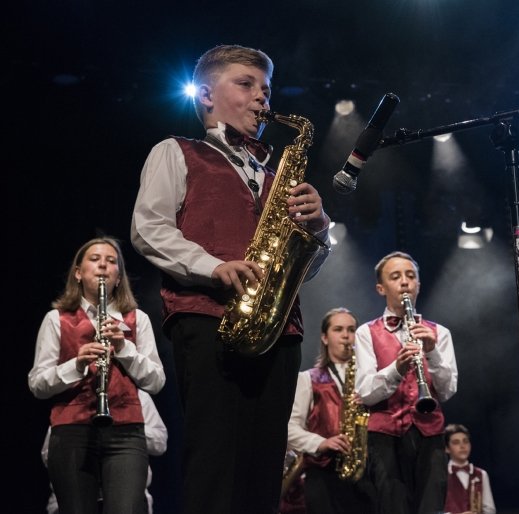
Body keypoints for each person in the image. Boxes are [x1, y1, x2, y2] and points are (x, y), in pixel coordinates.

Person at [130, 43, 330, 514]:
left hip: (279, 329)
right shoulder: (176, 152)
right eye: (246, 84)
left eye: (266, 89)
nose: (262, 97)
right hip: (208, 319)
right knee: (215, 463)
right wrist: (212, 266)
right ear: (205, 95)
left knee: (265, 468)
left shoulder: (277, 174)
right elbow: (148, 227)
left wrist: (320, 228)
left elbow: (304, 265)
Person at [28, 236, 166, 514]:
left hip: (126, 432)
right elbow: (38, 384)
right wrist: (77, 364)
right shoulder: (56, 319)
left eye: (111, 261)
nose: (103, 265)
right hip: (71, 431)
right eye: (94, 259)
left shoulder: (137, 319)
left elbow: (155, 381)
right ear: (78, 273)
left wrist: (123, 348)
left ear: (119, 277)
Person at [354, 251, 458, 514]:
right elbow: (365, 392)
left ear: (418, 285)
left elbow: (447, 391)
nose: (404, 282)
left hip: (429, 437)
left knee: (431, 508)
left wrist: (432, 352)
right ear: (381, 288)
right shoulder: (366, 333)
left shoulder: (440, 333)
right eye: (395, 277)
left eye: (410, 276)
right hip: (384, 439)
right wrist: (396, 369)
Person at [287, 307, 376, 514]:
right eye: (338, 329)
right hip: (323, 475)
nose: (346, 335)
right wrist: (321, 443)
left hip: (366, 474)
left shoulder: (371, 380)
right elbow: (290, 428)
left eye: (351, 330)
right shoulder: (307, 379)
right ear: (325, 338)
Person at [42, 389, 168, 514]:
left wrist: (127, 426)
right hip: (76, 495)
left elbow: (160, 443)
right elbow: (48, 454)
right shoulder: (72, 395)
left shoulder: (136, 395)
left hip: (128, 496)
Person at [443, 423, 496, 514]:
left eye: (466, 441)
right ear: (447, 448)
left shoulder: (481, 474)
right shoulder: (441, 475)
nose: (462, 446)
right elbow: (433, 510)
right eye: (456, 442)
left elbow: (490, 510)